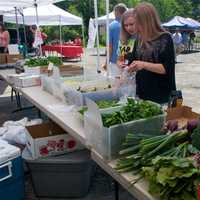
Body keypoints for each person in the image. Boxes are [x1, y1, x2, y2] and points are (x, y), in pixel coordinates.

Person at [127, 2, 176, 104]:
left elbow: (166, 69)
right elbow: (132, 61)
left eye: (137, 23)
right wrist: (128, 68)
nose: (135, 27)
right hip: (142, 95)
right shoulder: (139, 39)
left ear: (147, 22)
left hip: (160, 97)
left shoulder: (165, 38)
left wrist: (143, 64)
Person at [102, 3, 127, 70]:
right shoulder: (129, 24)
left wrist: (106, 63)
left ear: (116, 12)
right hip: (128, 61)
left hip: (115, 62)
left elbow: (110, 47)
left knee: (117, 80)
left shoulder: (112, 26)